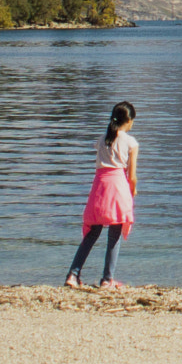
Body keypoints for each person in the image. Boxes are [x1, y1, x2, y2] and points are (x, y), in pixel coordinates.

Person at [66, 101, 138, 289]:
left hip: (99, 187)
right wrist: (133, 191)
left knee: (92, 232)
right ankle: (107, 279)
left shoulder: (101, 140)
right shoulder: (131, 142)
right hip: (118, 188)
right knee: (114, 234)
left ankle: (73, 274)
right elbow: (132, 176)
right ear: (129, 121)